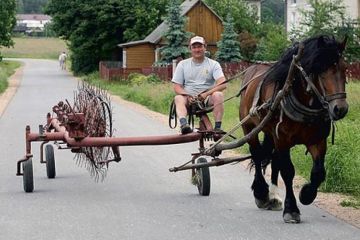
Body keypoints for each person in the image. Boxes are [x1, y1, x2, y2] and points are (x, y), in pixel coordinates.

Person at [171, 36, 227, 134]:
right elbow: (177, 86)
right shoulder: (183, 64)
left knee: (219, 95)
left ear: (205, 47)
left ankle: (217, 128)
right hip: (188, 99)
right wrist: (187, 95)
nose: (197, 49)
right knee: (178, 98)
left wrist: (206, 94)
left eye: (200, 46)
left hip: (206, 99)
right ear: (190, 49)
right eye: (194, 47)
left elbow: (223, 84)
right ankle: (184, 125)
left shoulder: (214, 64)